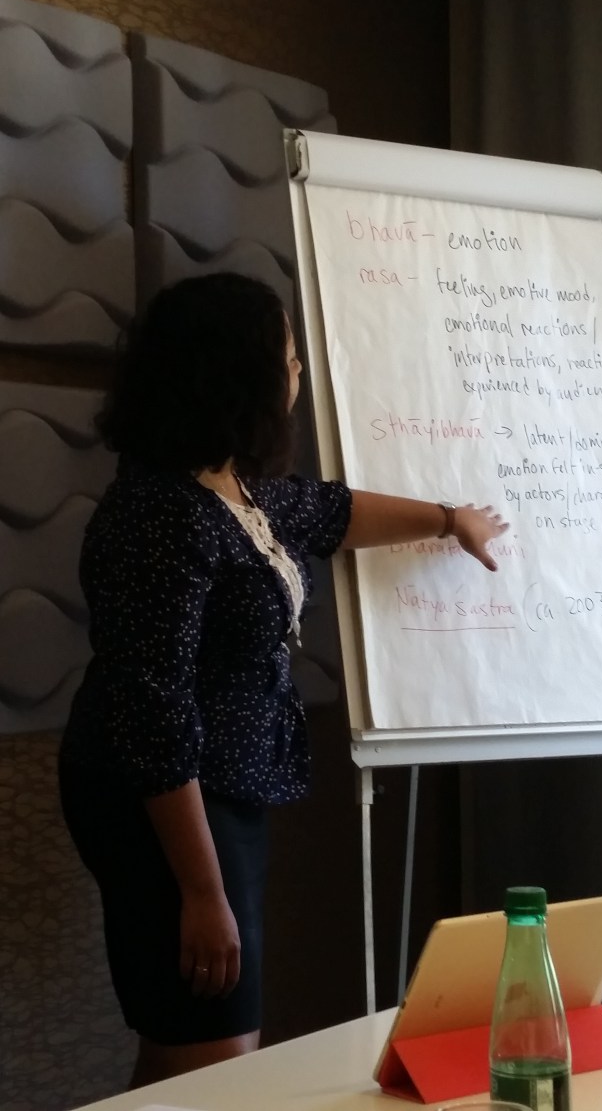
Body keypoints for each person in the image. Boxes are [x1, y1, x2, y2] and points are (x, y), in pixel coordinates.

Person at [58, 272, 508, 1088]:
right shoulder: (159, 516)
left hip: (219, 791)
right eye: (289, 357)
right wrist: (202, 891)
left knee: (191, 1054)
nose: (298, 371)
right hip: (163, 809)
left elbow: (330, 513)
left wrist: (449, 519)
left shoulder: (231, 487)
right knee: (216, 1057)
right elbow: (155, 719)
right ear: (236, 376)